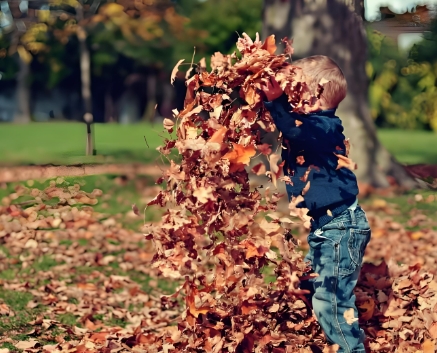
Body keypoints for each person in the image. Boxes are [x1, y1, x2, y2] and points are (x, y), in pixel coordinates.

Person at [261, 55, 372, 353]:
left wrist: (276, 103)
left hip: (339, 229)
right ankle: (336, 331)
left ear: (311, 98)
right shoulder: (313, 126)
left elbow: (295, 129)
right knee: (311, 283)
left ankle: (351, 348)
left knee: (332, 301)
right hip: (328, 229)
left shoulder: (323, 128)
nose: (287, 97)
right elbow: (291, 126)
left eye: (293, 91)